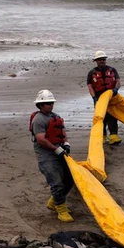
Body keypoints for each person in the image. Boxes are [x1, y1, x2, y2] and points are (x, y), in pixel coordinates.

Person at [30, 89, 74, 223]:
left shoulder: (55, 116)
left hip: (59, 150)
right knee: (56, 183)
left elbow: (62, 132)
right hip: (46, 155)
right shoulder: (38, 120)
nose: (51, 105)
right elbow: (41, 139)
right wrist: (56, 150)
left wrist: (66, 144)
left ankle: (54, 201)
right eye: (48, 103)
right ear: (40, 105)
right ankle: (61, 209)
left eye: (51, 103)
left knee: (69, 179)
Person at [86, 50, 122, 145]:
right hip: (99, 97)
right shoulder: (91, 73)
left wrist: (115, 89)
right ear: (96, 61)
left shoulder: (112, 70)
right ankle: (102, 136)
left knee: (113, 116)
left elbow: (118, 81)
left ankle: (113, 136)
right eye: (99, 59)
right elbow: (90, 86)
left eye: (103, 59)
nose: (102, 61)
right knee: (101, 117)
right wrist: (94, 97)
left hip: (111, 97)